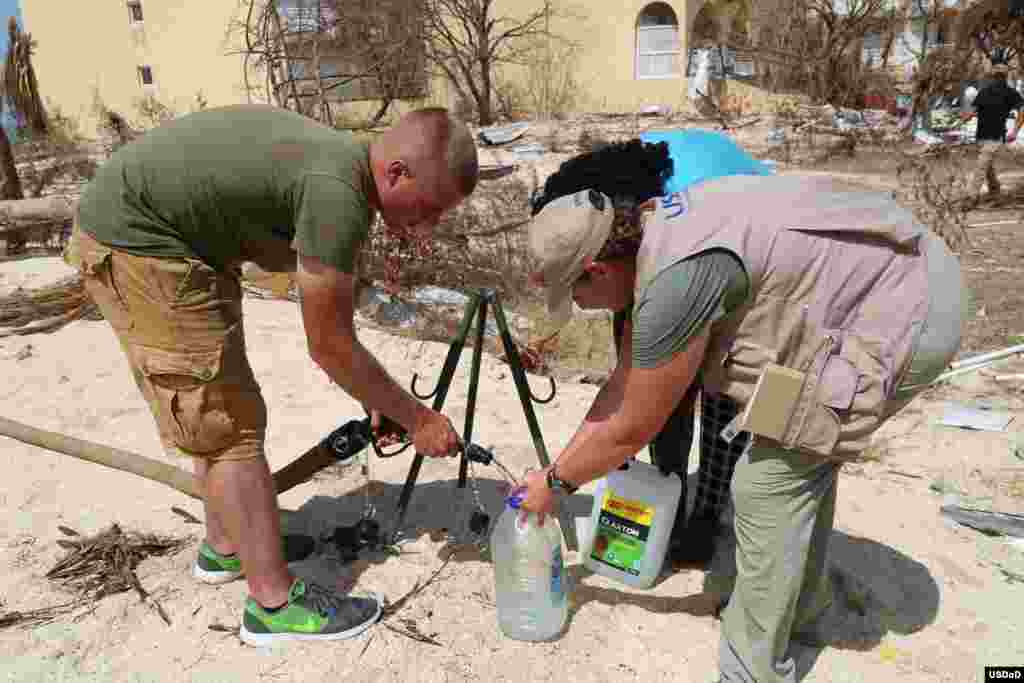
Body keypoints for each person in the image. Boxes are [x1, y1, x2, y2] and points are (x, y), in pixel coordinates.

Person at [518, 137, 966, 682]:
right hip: (872, 288)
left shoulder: (676, 279)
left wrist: (557, 482)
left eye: (576, 294)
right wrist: (552, 474)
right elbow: (624, 386)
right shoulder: (654, 232)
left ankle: (752, 670)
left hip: (906, 309)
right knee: (798, 465)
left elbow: (635, 423)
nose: (581, 308)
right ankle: (807, 607)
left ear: (597, 268)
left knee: (768, 484)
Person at [67, 104, 479, 646]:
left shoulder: (343, 170)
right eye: (428, 207)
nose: (428, 225)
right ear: (397, 172)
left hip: (185, 242)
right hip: (141, 242)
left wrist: (381, 400)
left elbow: (330, 301)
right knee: (229, 426)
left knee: (217, 403)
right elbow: (329, 345)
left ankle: (228, 546)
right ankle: (273, 605)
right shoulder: (338, 195)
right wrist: (417, 417)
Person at [964, 63, 1023, 199]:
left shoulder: (1010, 93)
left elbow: (1022, 110)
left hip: (995, 136)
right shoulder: (984, 92)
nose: (999, 78)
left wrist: (1014, 131)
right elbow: (974, 110)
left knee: (981, 165)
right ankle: (995, 190)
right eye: (998, 76)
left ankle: (972, 197)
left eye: (1000, 76)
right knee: (987, 165)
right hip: (981, 135)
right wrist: (966, 117)